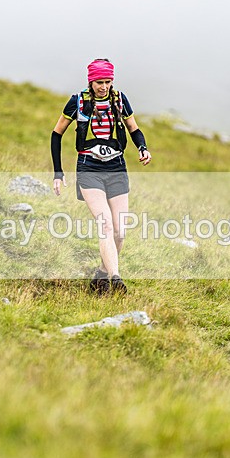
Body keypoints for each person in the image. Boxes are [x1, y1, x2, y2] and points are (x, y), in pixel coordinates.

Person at [50, 59, 152, 294]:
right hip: (89, 169)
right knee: (105, 224)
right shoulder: (77, 102)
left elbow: (133, 129)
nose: (103, 87)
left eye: (107, 82)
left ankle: (101, 275)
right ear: (91, 81)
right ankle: (116, 279)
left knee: (120, 231)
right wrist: (58, 172)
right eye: (99, 82)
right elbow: (57, 134)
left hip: (117, 167)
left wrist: (142, 148)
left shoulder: (119, 100)